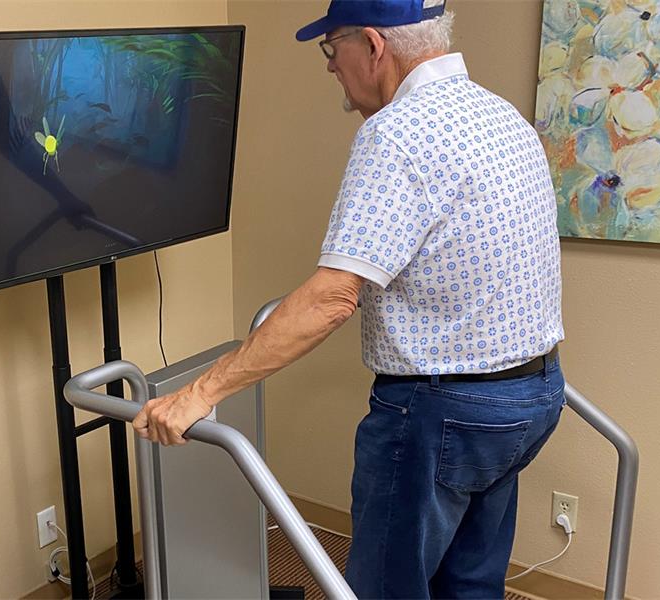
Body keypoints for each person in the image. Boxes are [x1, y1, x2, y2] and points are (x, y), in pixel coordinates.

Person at [132, 0, 566, 597]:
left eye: (332, 49)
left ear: (373, 45)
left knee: (386, 587)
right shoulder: (500, 115)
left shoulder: (398, 132)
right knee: (469, 585)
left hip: (443, 415)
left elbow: (332, 298)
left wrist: (199, 394)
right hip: (531, 397)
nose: (331, 66)